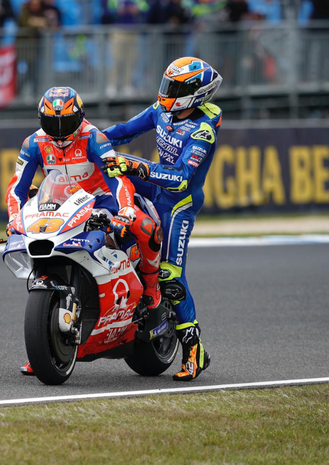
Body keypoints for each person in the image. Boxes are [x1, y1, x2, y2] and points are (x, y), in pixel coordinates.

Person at [7, 87, 163, 375]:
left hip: (100, 199)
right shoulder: (33, 144)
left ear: (79, 117)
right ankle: (43, 343)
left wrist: (125, 208)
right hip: (59, 203)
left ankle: (152, 291)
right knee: (41, 250)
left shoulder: (93, 137)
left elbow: (116, 178)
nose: (59, 131)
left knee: (146, 227)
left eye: (65, 123)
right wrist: (14, 219)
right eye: (51, 123)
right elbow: (16, 188)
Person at [101, 57, 223, 381]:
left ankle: (194, 350)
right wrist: (90, 144)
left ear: (195, 94)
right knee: (108, 164)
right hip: (156, 184)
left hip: (179, 203)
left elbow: (182, 177)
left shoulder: (203, 130)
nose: (167, 94)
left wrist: (139, 168)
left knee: (170, 277)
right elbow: (124, 131)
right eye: (167, 85)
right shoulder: (160, 110)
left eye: (176, 88)